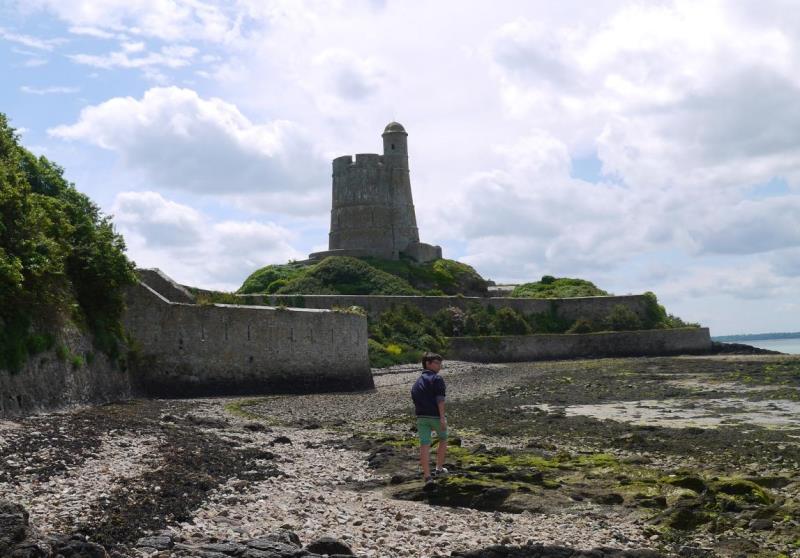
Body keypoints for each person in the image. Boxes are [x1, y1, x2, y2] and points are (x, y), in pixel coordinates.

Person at [411, 352, 448, 485]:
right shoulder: (437, 379)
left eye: (440, 363)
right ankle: (438, 468)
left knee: (424, 444)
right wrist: (442, 417)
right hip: (435, 416)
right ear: (428, 363)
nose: (439, 366)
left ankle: (427, 476)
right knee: (443, 438)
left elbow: (415, 398)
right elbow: (440, 399)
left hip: (421, 417)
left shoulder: (417, 381)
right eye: (437, 363)